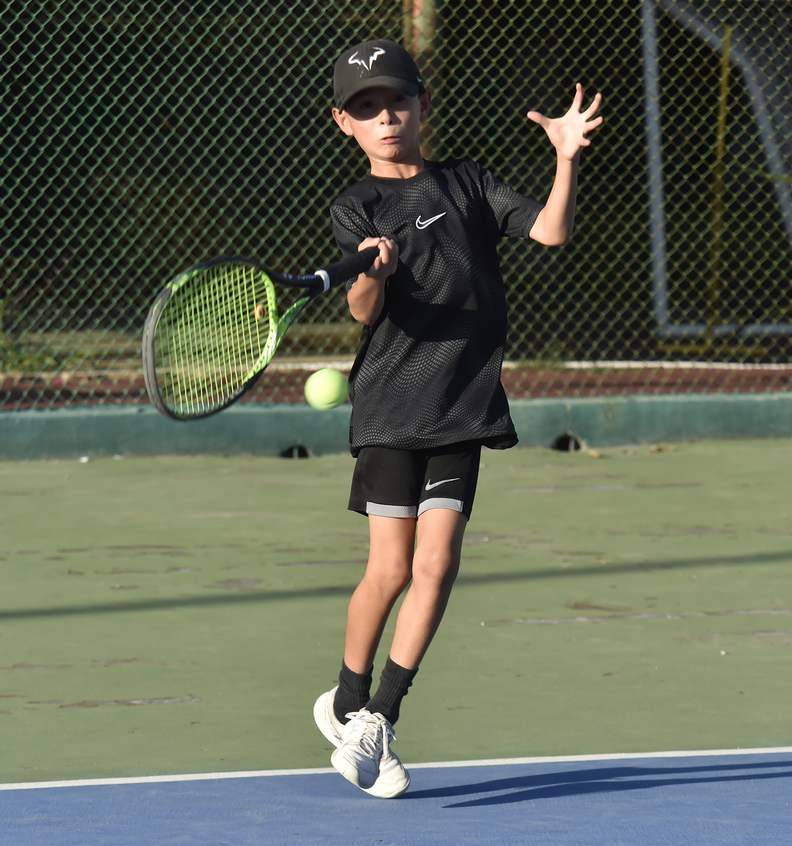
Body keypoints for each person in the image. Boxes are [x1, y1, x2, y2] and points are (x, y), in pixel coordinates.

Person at [312, 38, 602, 798]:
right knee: (390, 570)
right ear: (343, 121)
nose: (385, 117)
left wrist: (566, 156)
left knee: (437, 566)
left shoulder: (467, 182)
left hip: (463, 405)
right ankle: (343, 698)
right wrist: (374, 272)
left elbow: (550, 231)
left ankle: (379, 716)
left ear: (421, 104)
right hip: (388, 407)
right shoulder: (355, 207)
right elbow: (363, 310)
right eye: (366, 108)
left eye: (396, 101)